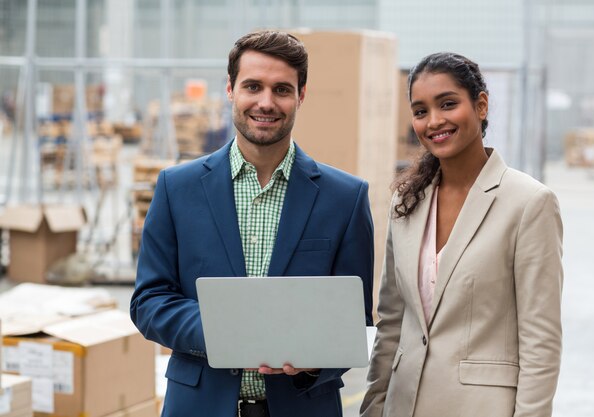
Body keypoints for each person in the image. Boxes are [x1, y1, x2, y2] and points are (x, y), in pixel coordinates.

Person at [130, 30, 374, 417]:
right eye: (252, 86)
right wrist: (231, 329)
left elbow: (354, 320)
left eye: (281, 89)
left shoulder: (345, 198)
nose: (266, 102)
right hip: (199, 406)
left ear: (301, 95)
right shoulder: (177, 188)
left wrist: (315, 362)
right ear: (230, 89)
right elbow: (149, 301)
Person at [360, 52, 563, 417]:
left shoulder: (529, 203)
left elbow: (541, 341)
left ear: (481, 105)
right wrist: (373, 408)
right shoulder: (407, 201)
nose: (434, 121)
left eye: (448, 104)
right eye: (421, 111)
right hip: (403, 405)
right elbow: (391, 322)